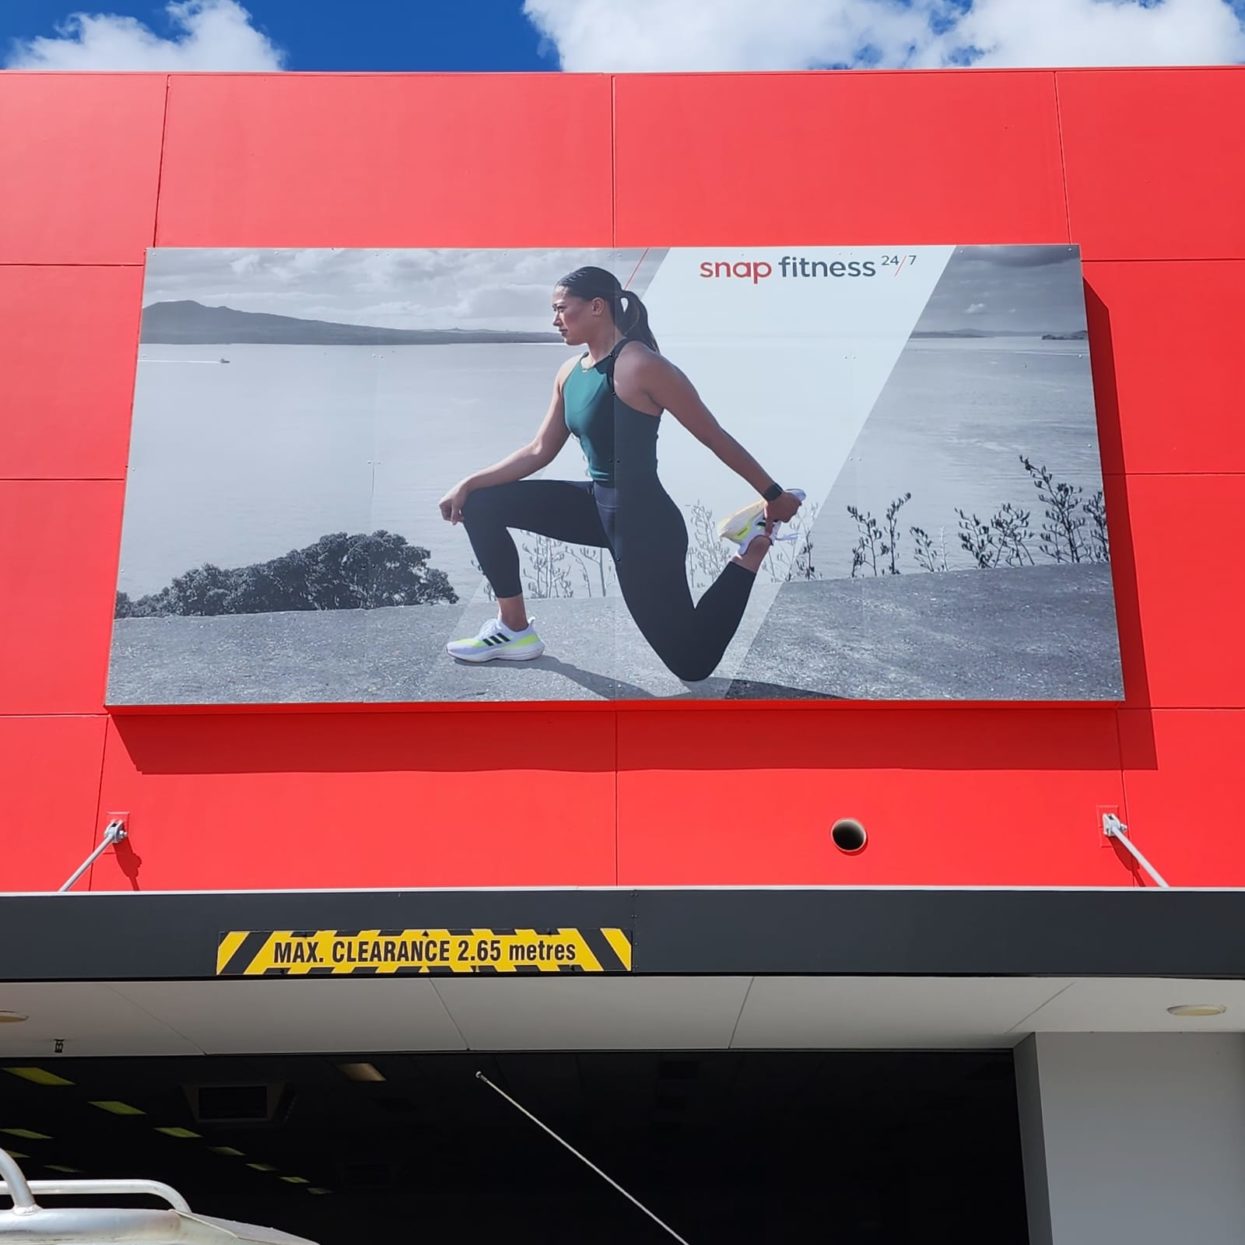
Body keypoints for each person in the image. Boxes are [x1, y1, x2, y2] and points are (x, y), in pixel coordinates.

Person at [437, 265, 803, 683]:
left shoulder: (642, 366)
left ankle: (750, 552)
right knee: (482, 504)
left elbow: (713, 436)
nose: (554, 319)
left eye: (561, 309)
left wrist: (773, 494)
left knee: (693, 664)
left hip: (644, 523)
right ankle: (515, 630)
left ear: (596, 307)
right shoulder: (569, 373)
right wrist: (468, 483)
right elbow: (539, 451)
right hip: (596, 505)